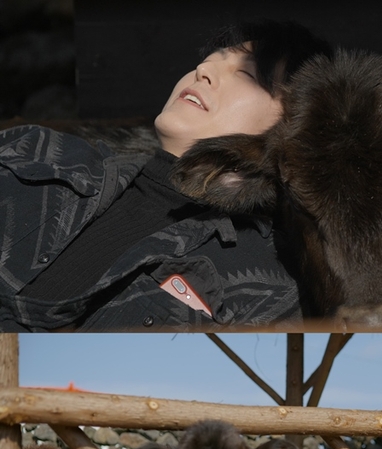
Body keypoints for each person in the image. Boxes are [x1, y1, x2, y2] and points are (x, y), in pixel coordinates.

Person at [0, 21, 332, 332]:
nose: (204, 71)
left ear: (296, 126)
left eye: (246, 73)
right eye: (211, 59)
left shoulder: (270, 286)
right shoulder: (35, 150)